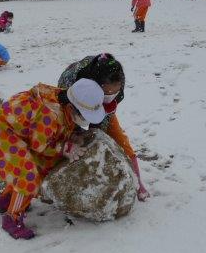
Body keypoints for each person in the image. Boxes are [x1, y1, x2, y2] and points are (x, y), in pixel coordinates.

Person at [0, 78, 105, 239]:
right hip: (5, 131)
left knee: (28, 168)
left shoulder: (65, 101)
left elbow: (57, 128)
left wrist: (72, 135)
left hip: (20, 129)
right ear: (71, 107)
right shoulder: (49, 114)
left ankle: (6, 199)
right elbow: (40, 146)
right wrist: (65, 148)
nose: (85, 121)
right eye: (84, 116)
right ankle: (11, 218)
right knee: (27, 175)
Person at [57, 53, 149, 201]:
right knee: (71, 139)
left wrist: (96, 134)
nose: (111, 96)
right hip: (73, 106)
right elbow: (65, 110)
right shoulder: (71, 81)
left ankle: (138, 182)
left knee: (117, 137)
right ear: (95, 86)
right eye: (106, 93)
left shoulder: (117, 84)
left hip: (99, 109)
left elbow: (101, 124)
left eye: (115, 92)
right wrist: (76, 133)